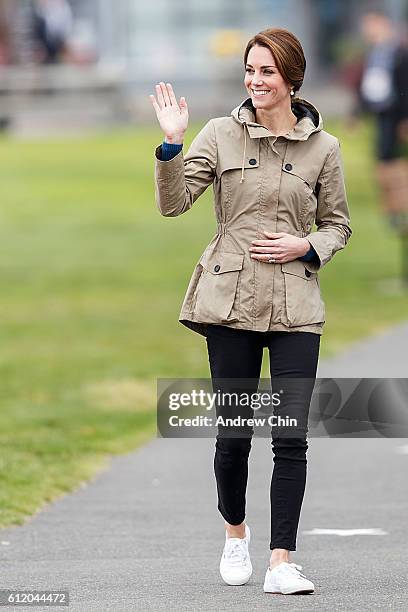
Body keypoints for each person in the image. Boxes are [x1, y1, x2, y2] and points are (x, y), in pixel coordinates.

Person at [150, 27, 351, 596]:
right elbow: (173, 204)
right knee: (234, 436)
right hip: (228, 302)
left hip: (296, 304)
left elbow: (339, 225)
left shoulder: (325, 149)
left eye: (266, 72)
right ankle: (235, 534)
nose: (255, 81)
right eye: (249, 71)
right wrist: (170, 145)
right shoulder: (218, 134)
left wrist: (306, 246)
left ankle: (282, 560)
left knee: (290, 435)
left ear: (291, 78)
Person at [351, 9, 408, 228]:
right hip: (380, 113)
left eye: (371, 24)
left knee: (392, 161)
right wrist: (356, 113)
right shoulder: (374, 53)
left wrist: (405, 118)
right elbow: (369, 86)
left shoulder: (398, 52)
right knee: (382, 160)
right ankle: (392, 209)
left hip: (395, 115)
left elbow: (404, 86)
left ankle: (398, 208)